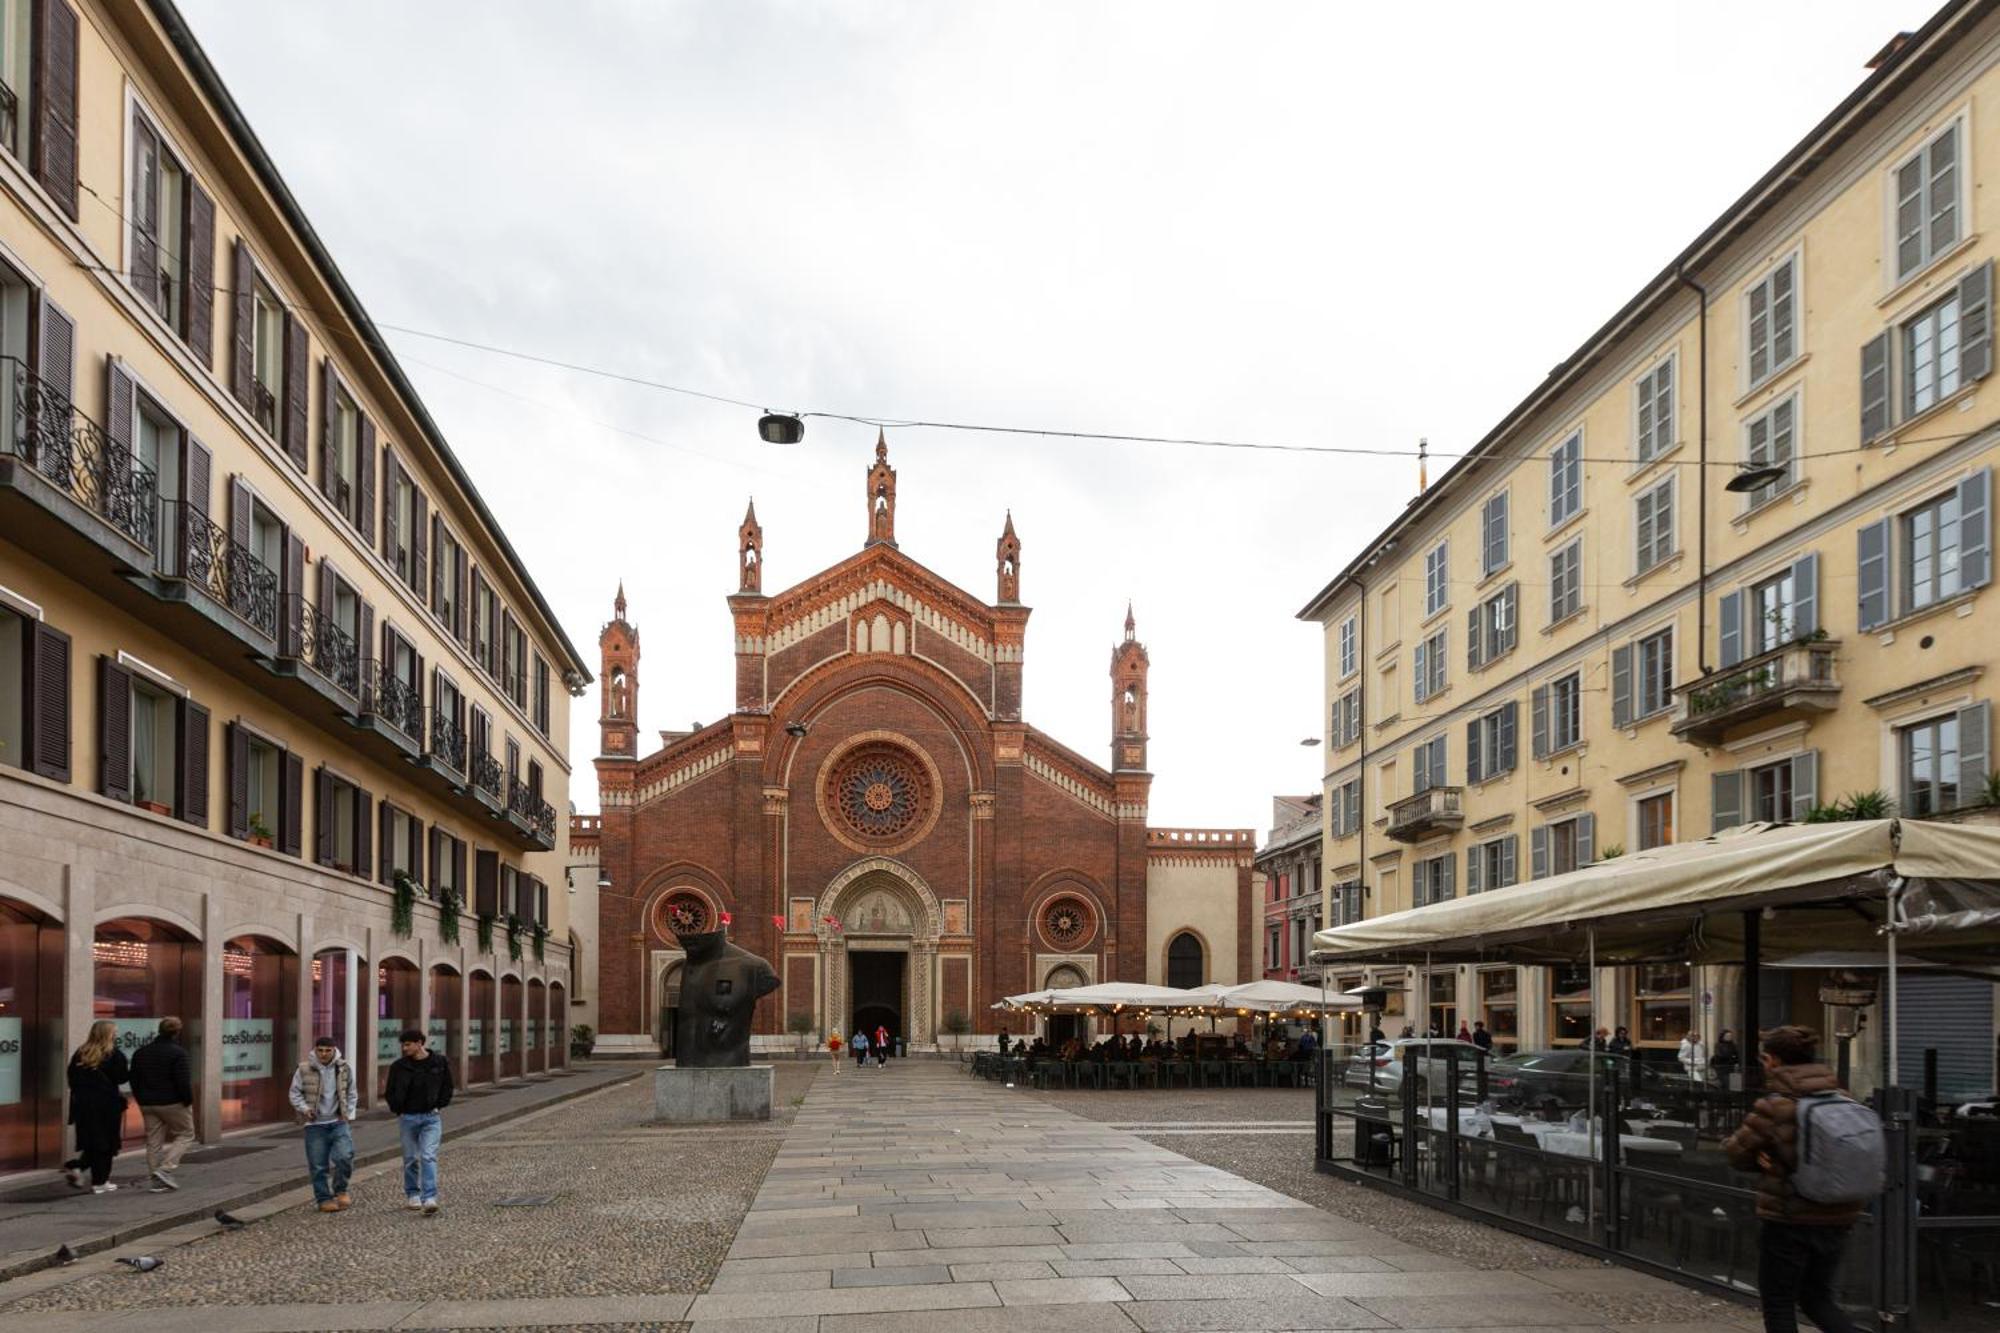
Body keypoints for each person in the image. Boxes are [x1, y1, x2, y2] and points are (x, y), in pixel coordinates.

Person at [1724, 1026, 1865, 1333]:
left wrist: (1765, 1158)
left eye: (1764, 1058)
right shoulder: (1842, 1097)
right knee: (1818, 1300)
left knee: (1779, 1301)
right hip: (1839, 1215)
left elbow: (1736, 1152)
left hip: (1789, 1217)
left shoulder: (1776, 1105)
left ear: (1772, 1060)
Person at [384, 1028, 453, 1215]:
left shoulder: (439, 1062)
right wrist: (397, 1109)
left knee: (428, 1155)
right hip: (407, 1117)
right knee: (410, 1158)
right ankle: (412, 1193)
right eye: (403, 1045)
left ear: (419, 1043)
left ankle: (429, 1197)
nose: (404, 1048)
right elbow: (390, 1090)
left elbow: (448, 1086)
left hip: (431, 1117)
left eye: (408, 1045)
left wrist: (440, 1105)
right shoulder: (399, 1066)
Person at [289, 1036, 357, 1213]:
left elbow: (351, 1092)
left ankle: (341, 1189)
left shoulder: (343, 1068)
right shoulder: (304, 1069)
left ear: (334, 1050)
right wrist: (304, 1109)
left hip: (338, 1122)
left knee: (344, 1157)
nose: (324, 1054)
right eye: (320, 1050)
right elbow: (294, 1093)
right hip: (314, 1125)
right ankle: (323, 1199)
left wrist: (348, 1113)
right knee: (318, 1165)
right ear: (315, 1050)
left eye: (328, 1050)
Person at [129, 1017, 195, 1192]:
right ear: (177, 1032)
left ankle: (156, 1180)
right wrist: (187, 1100)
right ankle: (166, 1169)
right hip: (172, 1101)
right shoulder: (178, 1052)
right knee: (186, 1134)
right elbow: (183, 1081)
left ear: (159, 1030)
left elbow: (134, 1079)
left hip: (148, 1102)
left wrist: (140, 1098)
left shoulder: (141, 1052)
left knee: (153, 1142)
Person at [63, 1021, 129, 1194]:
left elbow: (72, 1079)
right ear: (108, 1034)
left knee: (93, 1141)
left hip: (84, 1106)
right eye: (114, 1032)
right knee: (107, 1144)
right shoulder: (113, 1055)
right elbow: (122, 1078)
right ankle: (100, 1181)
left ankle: (77, 1167)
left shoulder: (81, 1053)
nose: (116, 1034)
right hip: (107, 1105)